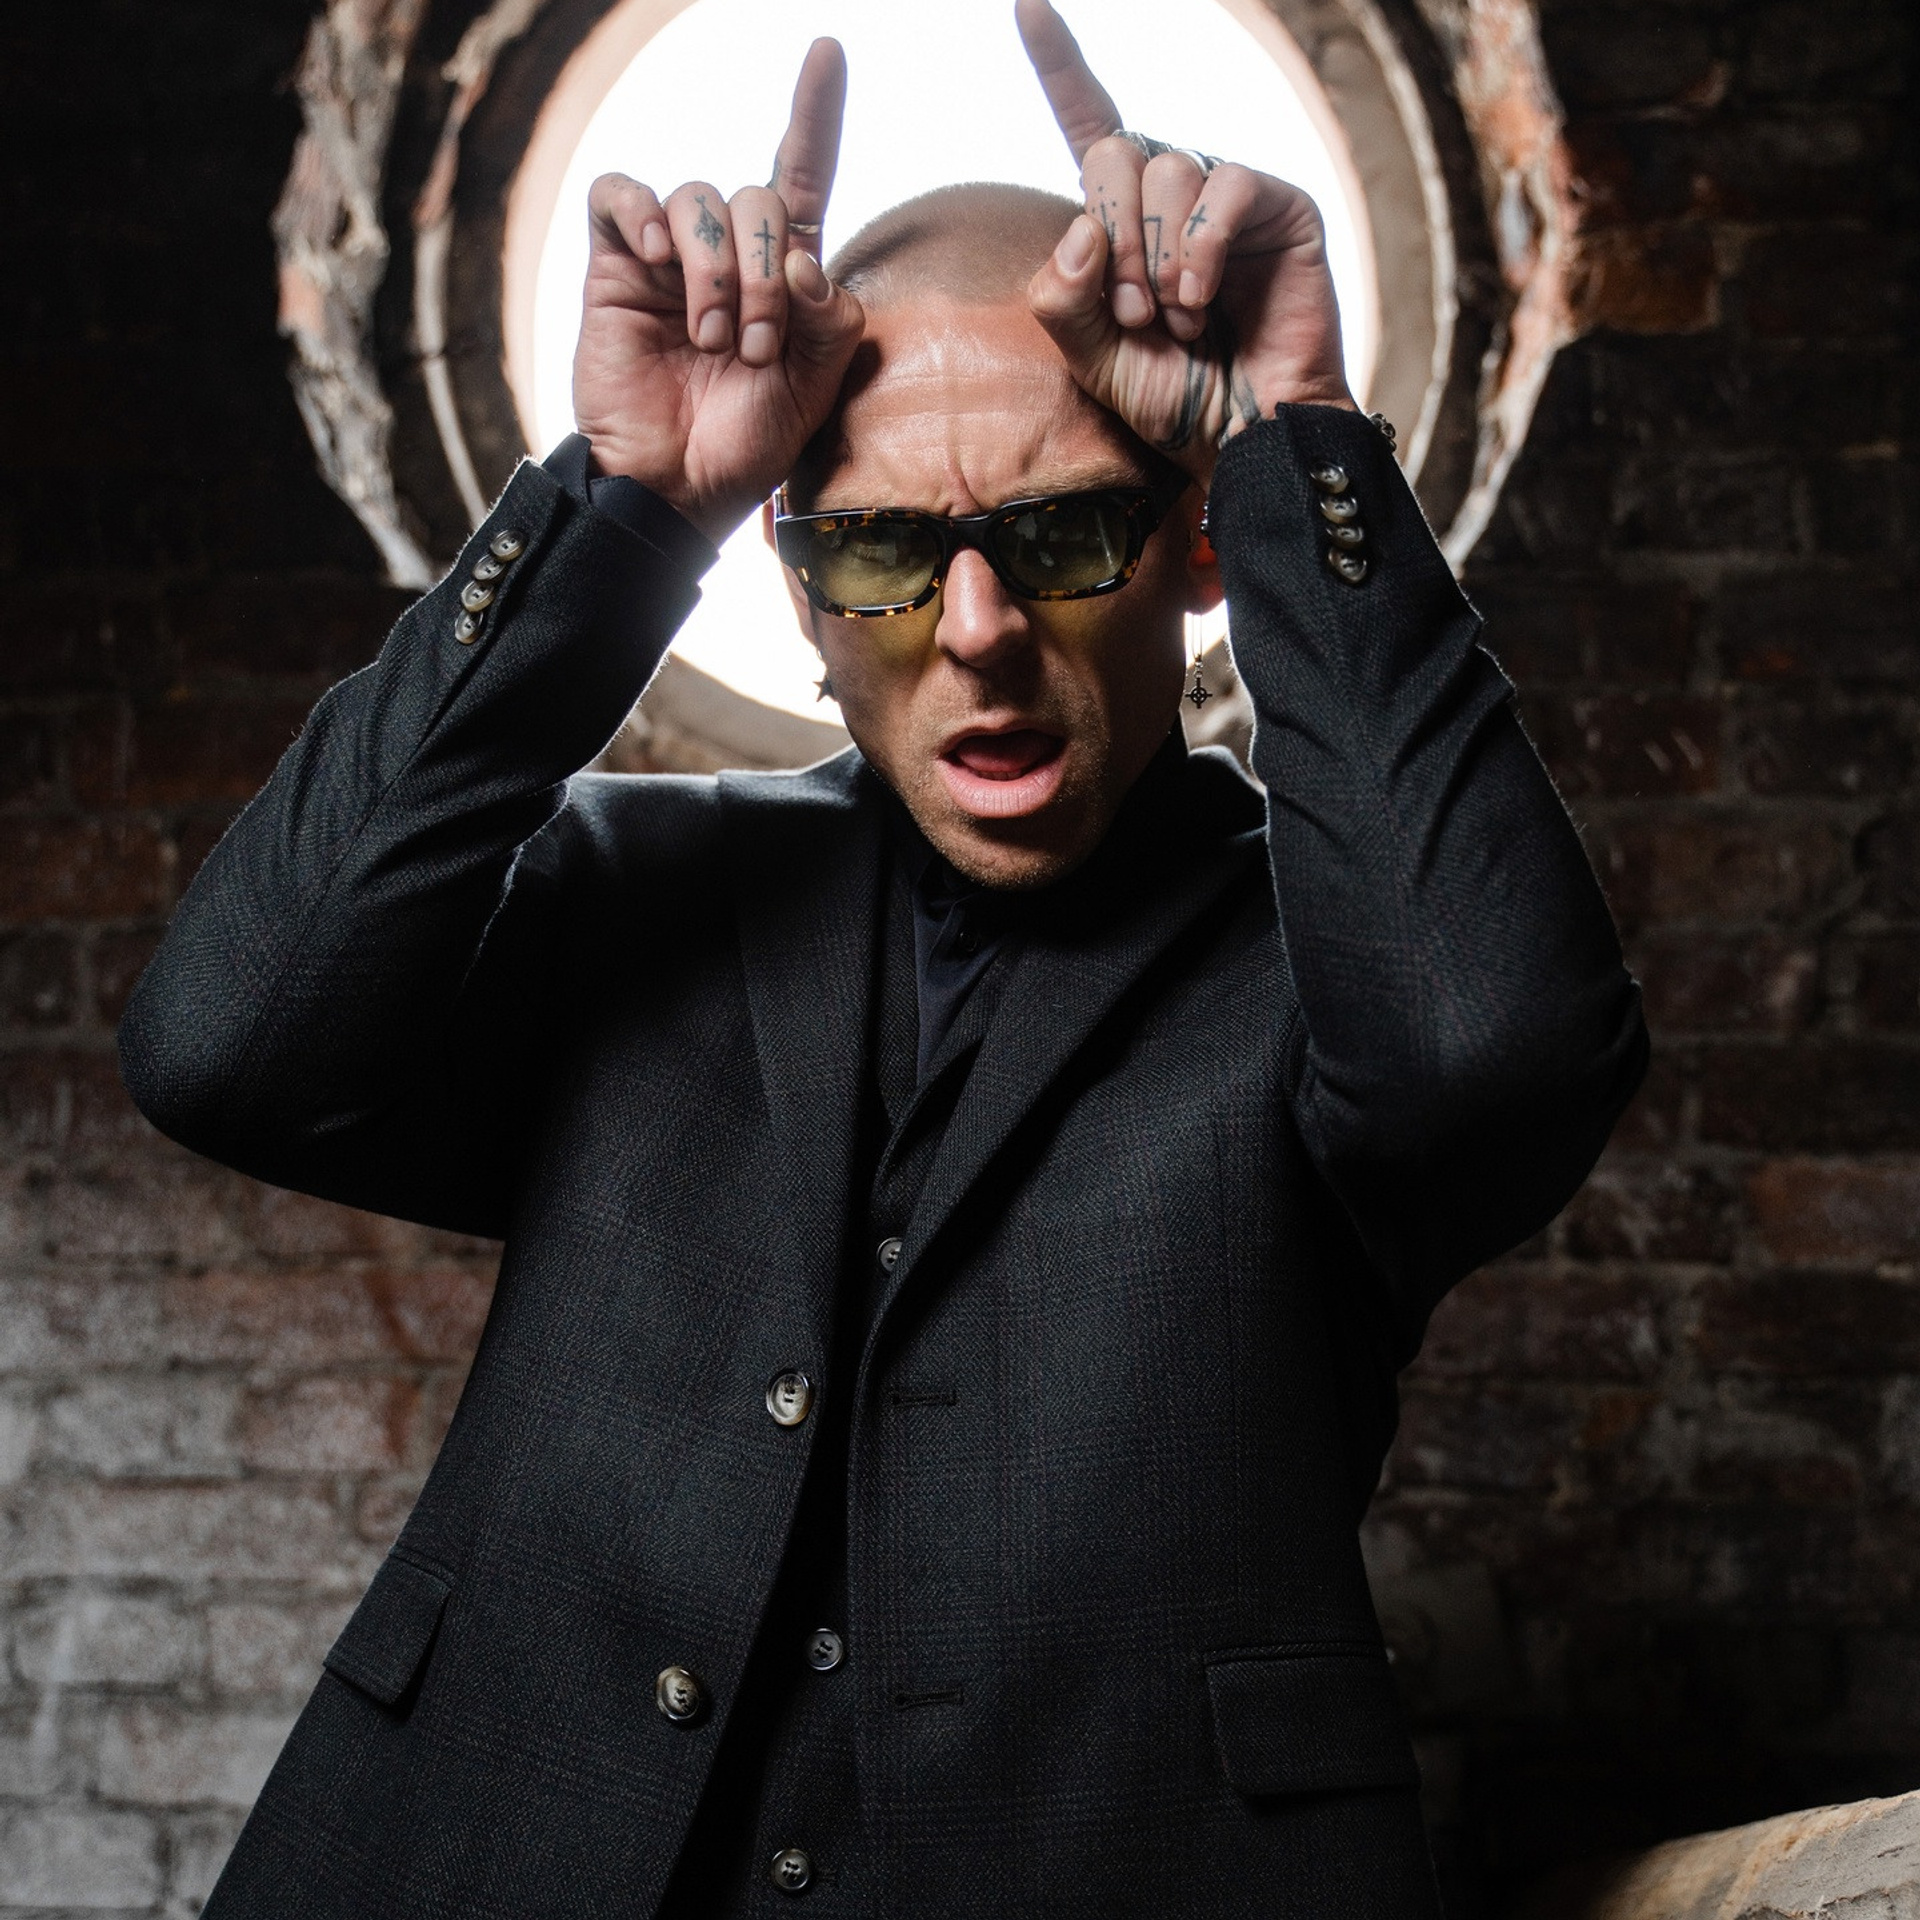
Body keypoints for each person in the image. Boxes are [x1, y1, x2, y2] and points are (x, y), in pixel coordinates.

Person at [120, 3, 1647, 1913]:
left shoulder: (1341, 947)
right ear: (796, 588)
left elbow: (1500, 1057)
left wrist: (1296, 435)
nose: (980, 629)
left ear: (1188, 546)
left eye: (1064, 532)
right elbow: (226, 1045)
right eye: (885, 556)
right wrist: (624, 511)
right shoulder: (630, 888)